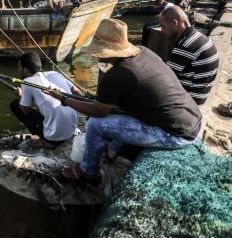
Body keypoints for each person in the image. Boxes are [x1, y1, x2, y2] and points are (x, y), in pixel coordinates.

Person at [44, 18, 202, 182]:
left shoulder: (115, 75)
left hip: (175, 134)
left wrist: (63, 99)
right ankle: (112, 152)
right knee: (118, 112)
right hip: (192, 120)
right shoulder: (144, 52)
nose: (96, 57)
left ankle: (87, 170)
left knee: (95, 125)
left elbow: (97, 112)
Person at [10, 53, 78, 149]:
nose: (19, 70)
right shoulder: (55, 74)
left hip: (53, 137)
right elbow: (76, 91)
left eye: (20, 67)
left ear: (25, 69)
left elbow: (25, 111)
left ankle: (46, 141)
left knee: (15, 105)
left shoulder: (27, 82)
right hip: (71, 130)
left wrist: (20, 96)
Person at [157, 6, 219, 105]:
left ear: (174, 23)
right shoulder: (199, 37)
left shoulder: (186, 46)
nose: (161, 30)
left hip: (190, 102)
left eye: (163, 26)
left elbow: (163, 78)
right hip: (200, 94)